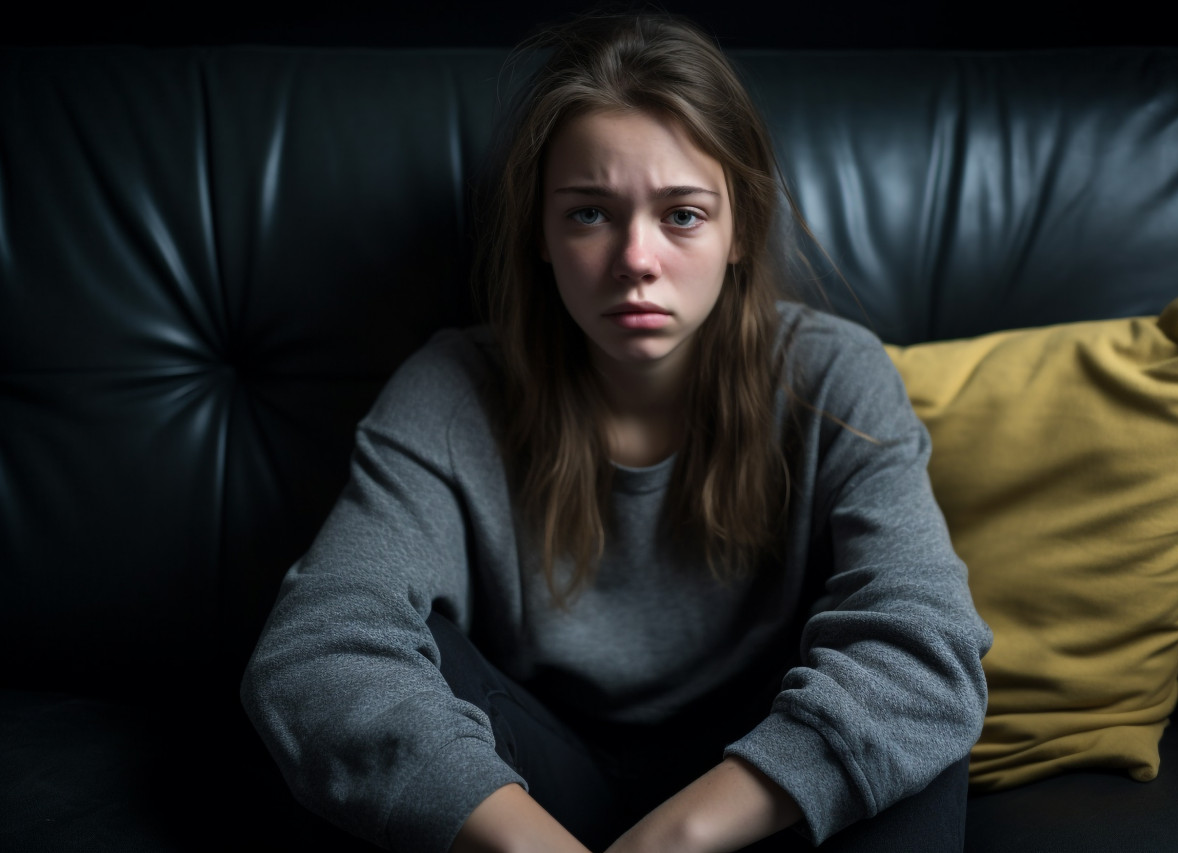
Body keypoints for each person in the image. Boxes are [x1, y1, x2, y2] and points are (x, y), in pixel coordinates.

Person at [241, 12, 992, 853]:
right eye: (591, 214)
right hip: (539, 784)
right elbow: (316, 652)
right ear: (540, 232)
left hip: (752, 792)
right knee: (393, 673)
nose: (636, 257)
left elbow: (927, 646)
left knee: (909, 744)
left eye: (682, 215)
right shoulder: (452, 389)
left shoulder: (835, 376)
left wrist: (670, 839)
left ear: (739, 227)